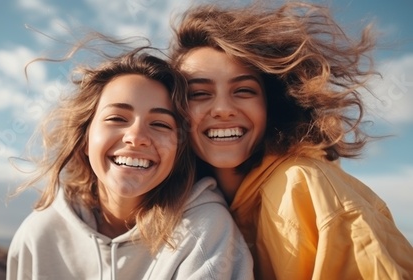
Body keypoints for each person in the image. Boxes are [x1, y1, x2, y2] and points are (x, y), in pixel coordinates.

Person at [170, 2, 413, 279]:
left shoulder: (302, 184)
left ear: (269, 105)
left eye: (244, 90)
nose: (223, 108)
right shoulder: (193, 202)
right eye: (199, 94)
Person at [6, 45, 253, 280]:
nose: (136, 138)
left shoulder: (205, 230)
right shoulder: (39, 235)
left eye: (160, 124)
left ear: (179, 151)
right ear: (84, 139)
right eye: (116, 118)